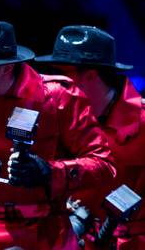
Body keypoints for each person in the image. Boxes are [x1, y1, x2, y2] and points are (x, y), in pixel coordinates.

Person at [0, 18, 117, 249]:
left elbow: (104, 165)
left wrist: (50, 172)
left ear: (6, 67)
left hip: (49, 233)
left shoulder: (59, 98)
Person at [35, 25, 145, 249]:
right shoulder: (46, 117)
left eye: (62, 74)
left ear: (91, 75)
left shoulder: (142, 125)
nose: (52, 83)